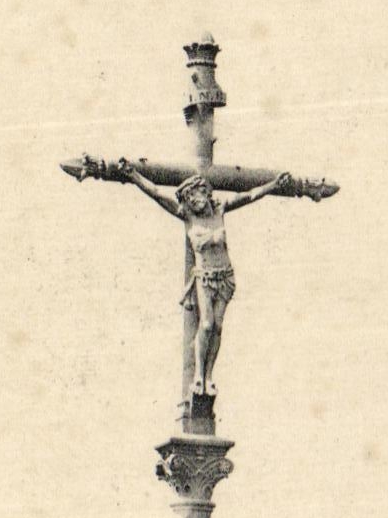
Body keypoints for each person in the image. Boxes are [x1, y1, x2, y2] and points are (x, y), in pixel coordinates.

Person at [116, 159, 292, 399]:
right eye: (188, 198)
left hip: (226, 277)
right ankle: (198, 375)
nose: (193, 201)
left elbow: (250, 195)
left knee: (218, 327)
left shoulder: (220, 210)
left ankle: (209, 377)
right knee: (207, 324)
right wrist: (134, 175)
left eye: (195, 195)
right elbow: (157, 193)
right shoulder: (188, 216)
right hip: (204, 279)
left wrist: (273, 184)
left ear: (205, 192)